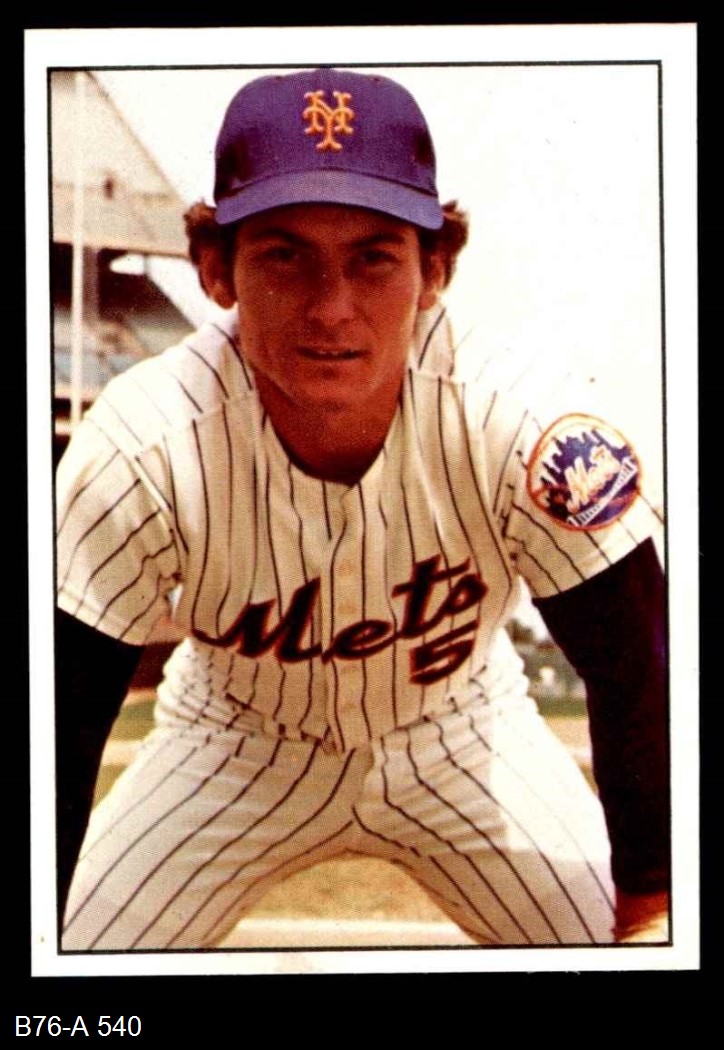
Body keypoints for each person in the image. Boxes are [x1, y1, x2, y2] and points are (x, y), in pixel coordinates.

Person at [55, 67, 669, 950]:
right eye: (285, 254)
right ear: (216, 271)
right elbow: (57, 722)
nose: (331, 306)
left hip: (462, 731)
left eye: (374, 256)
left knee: (650, 950)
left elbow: (642, 667)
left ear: (434, 271)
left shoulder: (522, 417)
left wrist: (651, 911)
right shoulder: (139, 443)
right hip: (231, 741)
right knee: (61, 956)